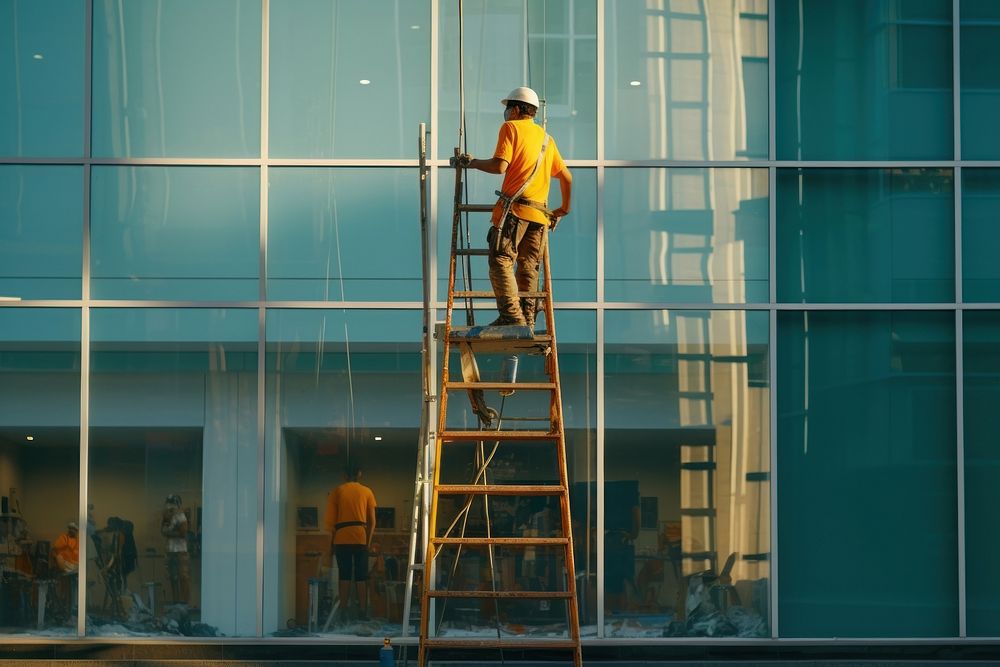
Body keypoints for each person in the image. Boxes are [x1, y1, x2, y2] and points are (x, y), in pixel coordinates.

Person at [453, 86, 573, 329]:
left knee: (501, 260)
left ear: (517, 109)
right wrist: (563, 210)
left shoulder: (511, 128)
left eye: (508, 108)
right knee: (529, 267)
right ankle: (527, 319)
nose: (506, 113)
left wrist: (471, 162)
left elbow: (500, 166)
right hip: (540, 216)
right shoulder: (547, 139)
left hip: (516, 212)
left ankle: (511, 316)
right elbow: (567, 177)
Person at [324, 463, 377, 621]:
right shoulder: (367, 491)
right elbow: (372, 522)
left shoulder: (337, 491)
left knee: (344, 575)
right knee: (361, 576)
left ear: (344, 475)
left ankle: (343, 610)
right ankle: (362, 610)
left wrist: (330, 545)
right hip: (360, 537)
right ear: (359, 473)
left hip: (341, 537)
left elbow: (330, 522)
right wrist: (368, 542)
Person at [160, 494, 190, 605]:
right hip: (170, 550)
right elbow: (162, 531)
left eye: (172, 504)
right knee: (173, 577)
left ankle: (185, 602)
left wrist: (169, 533)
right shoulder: (166, 516)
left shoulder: (181, 516)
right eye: (169, 504)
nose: (170, 507)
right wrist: (169, 532)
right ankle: (176, 601)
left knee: (183, 577)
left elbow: (183, 533)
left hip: (181, 551)